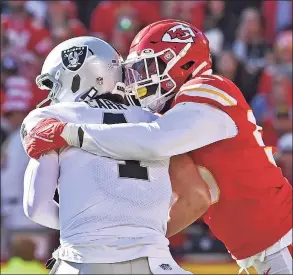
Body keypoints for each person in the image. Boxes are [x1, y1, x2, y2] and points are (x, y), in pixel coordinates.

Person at [24, 20, 293, 274]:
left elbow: (155, 140)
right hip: (262, 248)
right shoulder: (172, 115)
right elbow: (194, 192)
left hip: (281, 240)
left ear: (183, 62)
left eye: (146, 68)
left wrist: (69, 133)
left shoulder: (206, 87)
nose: (139, 79)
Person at [21, 36, 209, 274]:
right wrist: (143, 231)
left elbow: (35, 206)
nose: (52, 95)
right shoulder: (156, 122)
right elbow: (198, 196)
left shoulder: (52, 118)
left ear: (77, 75)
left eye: (54, 85)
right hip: (157, 263)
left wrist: (87, 224)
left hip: (84, 259)